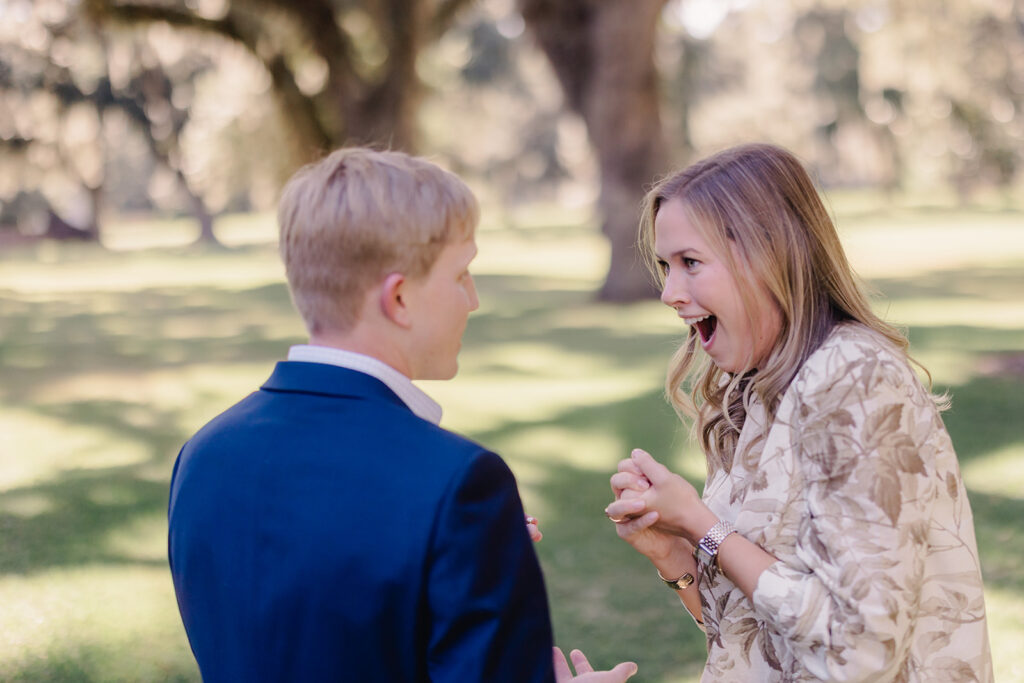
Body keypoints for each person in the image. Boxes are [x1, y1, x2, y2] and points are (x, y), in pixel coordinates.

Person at [167, 148, 636, 683]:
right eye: (462, 275)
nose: (474, 299)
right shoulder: (458, 482)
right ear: (400, 298)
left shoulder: (202, 453)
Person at [604, 143, 993, 681]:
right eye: (665, 266)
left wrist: (702, 523)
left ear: (771, 257)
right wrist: (674, 554)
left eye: (690, 262)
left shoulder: (856, 379)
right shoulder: (757, 389)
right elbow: (747, 638)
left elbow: (862, 649)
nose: (670, 292)